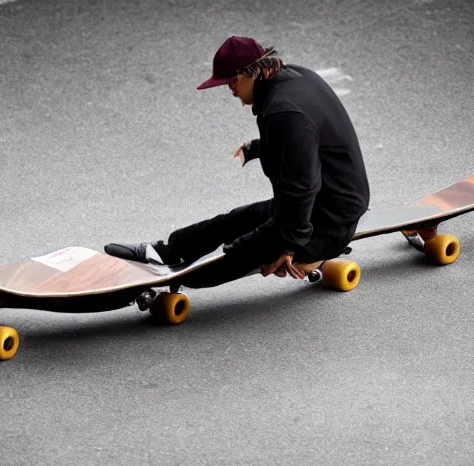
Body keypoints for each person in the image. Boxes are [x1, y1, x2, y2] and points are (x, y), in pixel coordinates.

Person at [105, 35, 370, 283]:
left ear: (249, 73)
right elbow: (306, 140)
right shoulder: (292, 79)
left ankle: (178, 277)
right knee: (235, 220)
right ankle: (165, 251)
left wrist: (289, 245)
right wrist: (258, 148)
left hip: (327, 222)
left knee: (235, 253)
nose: (230, 90)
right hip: (324, 204)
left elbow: (303, 185)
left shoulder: (283, 111)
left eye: (232, 82)